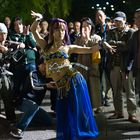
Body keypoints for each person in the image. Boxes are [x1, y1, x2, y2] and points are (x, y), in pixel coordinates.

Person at [30, 11, 99, 139]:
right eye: (57, 30)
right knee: (64, 112)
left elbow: (90, 50)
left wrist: (102, 44)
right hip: (61, 85)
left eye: (63, 30)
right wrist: (39, 18)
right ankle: (70, 135)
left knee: (75, 110)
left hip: (73, 80)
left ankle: (77, 135)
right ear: (52, 31)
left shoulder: (68, 47)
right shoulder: (45, 47)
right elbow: (33, 30)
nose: (60, 33)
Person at [10, 56, 56, 139]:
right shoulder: (33, 73)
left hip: (35, 106)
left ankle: (25, 119)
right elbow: (34, 86)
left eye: (48, 64)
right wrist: (46, 86)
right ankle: (18, 129)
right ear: (38, 65)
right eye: (44, 64)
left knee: (49, 121)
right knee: (33, 107)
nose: (46, 66)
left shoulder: (48, 76)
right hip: (23, 102)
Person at [107, 11, 138, 123]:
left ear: (125, 20)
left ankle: (132, 114)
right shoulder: (111, 31)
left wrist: (115, 45)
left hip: (126, 66)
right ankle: (118, 112)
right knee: (116, 91)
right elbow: (108, 43)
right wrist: (119, 44)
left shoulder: (131, 32)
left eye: (119, 21)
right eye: (116, 21)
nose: (117, 23)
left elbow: (128, 48)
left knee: (130, 91)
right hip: (114, 65)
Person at [0, 23, 16, 124]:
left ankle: (11, 119)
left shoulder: (8, 43)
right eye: (1, 33)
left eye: (5, 33)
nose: (3, 36)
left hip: (5, 74)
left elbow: (21, 44)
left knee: (8, 97)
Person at [127, 8, 140, 107]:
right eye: (135, 18)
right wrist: (128, 69)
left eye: (138, 18)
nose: (135, 20)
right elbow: (131, 53)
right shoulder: (135, 34)